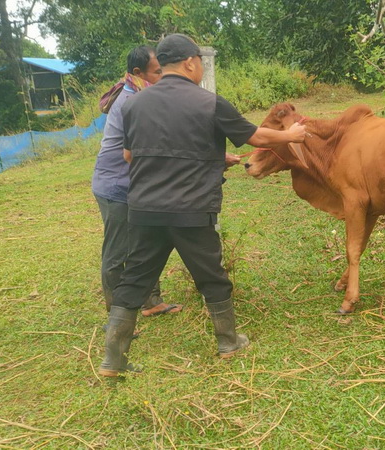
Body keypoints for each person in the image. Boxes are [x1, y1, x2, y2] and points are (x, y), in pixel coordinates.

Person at [98, 33, 306, 377]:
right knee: (212, 277)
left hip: (146, 210)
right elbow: (256, 136)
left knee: (134, 278)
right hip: (191, 209)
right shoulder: (209, 103)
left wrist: (207, 159)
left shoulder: (133, 104)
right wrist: (291, 135)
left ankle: (113, 359)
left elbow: (129, 155)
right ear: (190, 62)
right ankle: (228, 341)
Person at [92, 46, 183, 325]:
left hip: (136, 184)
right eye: (158, 72)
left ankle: (151, 301)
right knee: (117, 253)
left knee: (146, 243)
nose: (163, 76)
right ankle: (116, 319)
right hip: (116, 186)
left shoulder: (140, 95)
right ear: (138, 73)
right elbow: (140, 152)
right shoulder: (131, 102)